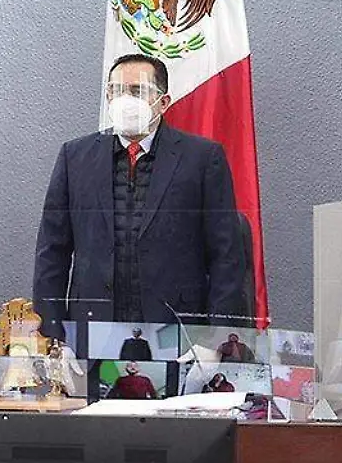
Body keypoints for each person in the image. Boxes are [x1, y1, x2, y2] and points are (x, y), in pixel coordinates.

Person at [32, 54, 247, 340]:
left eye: (137, 91)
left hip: (178, 335)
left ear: (163, 102)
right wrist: (53, 338)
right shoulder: (75, 157)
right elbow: (51, 253)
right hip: (92, 333)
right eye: (116, 90)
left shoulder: (202, 158)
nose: (125, 100)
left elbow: (226, 256)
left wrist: (215, 340)